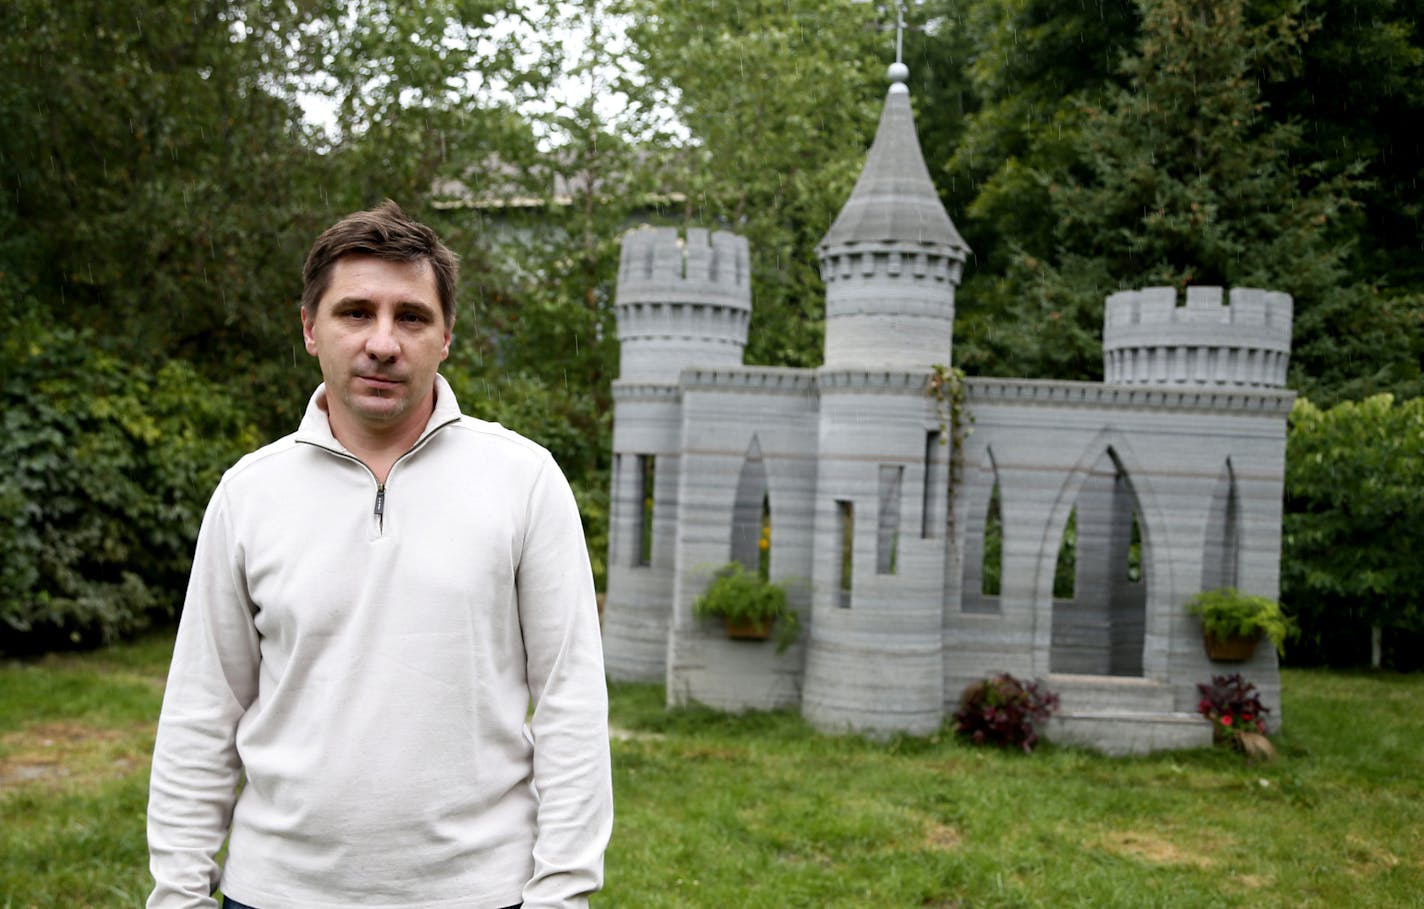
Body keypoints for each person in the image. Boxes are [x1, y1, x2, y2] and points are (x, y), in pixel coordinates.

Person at [146, 201, 613, 909]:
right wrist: (178, 893)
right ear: (310, 327)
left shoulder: (524, 480)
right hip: (275, 891)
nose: (384, 342)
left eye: (412, 317)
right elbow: (202, 708)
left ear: (447, 335)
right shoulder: (249, 494)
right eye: (356, 312)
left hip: (481, 892)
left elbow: (570, 701)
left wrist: (562, 894)